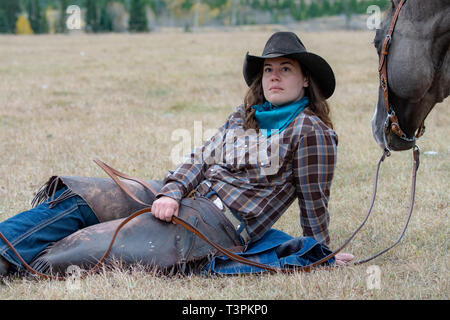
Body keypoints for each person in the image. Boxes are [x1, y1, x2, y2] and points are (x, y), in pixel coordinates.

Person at [0, 32, 353, 277]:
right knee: (79, 198)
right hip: (185, 197)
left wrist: (317, 253)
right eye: (268, 70)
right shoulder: (245, 116)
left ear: (305, 79)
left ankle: (12, 260)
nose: (274, 77)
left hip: (216, 224)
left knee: (87, 247)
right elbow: (201, 157)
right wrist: (172, 190)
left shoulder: (311, 132)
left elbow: (314, 200)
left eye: (285, 69)